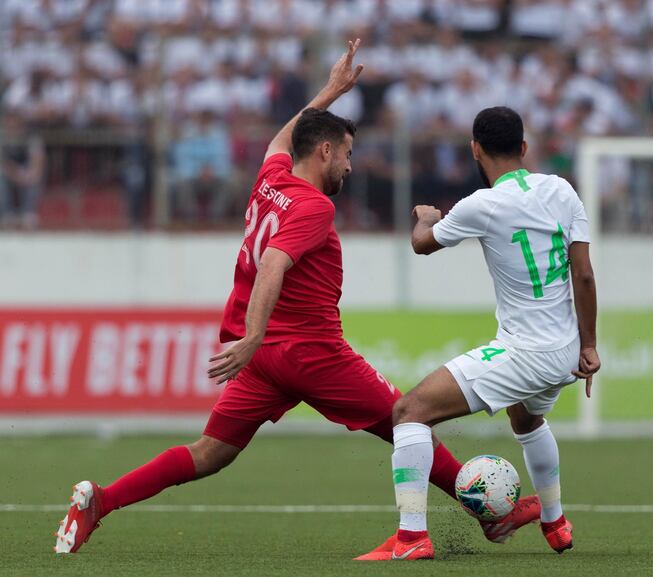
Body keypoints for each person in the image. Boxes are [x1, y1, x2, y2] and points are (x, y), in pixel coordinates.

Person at [54, 41, 540, 556]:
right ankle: (489, 513)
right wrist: (255, 335)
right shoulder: (313, 207)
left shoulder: (271, 179)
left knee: (209, 454)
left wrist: (330, 91)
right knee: (407, 415)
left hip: (264, 361)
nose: (351, 168)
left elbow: (283, 138)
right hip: (308, 351)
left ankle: (99, 502)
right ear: (326, 151)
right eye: (347, 155)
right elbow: (272, 265)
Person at [380, 106, 601, 561]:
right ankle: (555, 522)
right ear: (524, 148)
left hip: (524, 352)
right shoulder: (562, 190)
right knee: (527, 419)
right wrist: (590, 343)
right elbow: (583, 275)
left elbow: (422, 244)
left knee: (408, 411)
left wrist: (424, 216)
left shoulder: (480, 205)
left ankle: (410, 538)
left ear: (475, 150)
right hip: (564, 351)